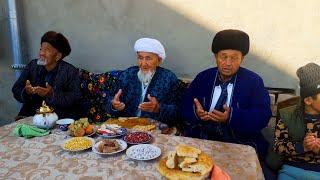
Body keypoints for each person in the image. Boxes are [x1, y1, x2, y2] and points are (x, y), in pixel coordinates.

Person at [181, 29, 272, 159]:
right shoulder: (203, 77)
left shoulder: (254, 81)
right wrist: (196, 113)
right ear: (216, 57)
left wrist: (231, 116)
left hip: (239, 141)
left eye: (234, 58)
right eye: (223, 57)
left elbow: (263, 116)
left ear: (242, 58)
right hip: (203, 138)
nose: (228, 63)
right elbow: (184, 106)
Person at [105, 37, 181, 126]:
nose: (143, 63)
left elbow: (178, 112)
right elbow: (108, 101)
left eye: (148, 58)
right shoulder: (127, 74)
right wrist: (114, 106)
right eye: (140, 58)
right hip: (126, 127)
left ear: (159, 60)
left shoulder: (169, 78)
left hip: (156, 129)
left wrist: (158, 108)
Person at [12, 31, 81, 120]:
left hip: (58, 119)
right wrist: (26, 92)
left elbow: (74, 99)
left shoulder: (70, 72)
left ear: (58, 56)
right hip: (31, 116)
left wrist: (51, 94)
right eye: (41, 49)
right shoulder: (32, 66)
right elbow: (16, 89)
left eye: (47, 50)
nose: (41, 53)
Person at [274, 63, 320, 179]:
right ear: (308, 100)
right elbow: (278, 147)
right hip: (291, 171)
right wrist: (302, 146)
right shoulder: (288, 116)